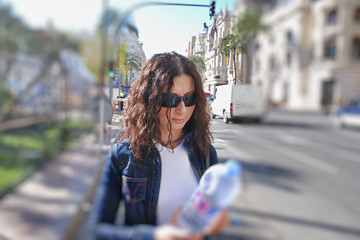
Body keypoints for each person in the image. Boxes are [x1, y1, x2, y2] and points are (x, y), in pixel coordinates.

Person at [88, 52, 229, 240]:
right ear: (149, 99)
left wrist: (214, 221)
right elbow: (98, 230)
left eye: (189, 98)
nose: (182, 109)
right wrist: (154, 236)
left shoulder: (205, 153)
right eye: (170, 99)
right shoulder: (122, 156)